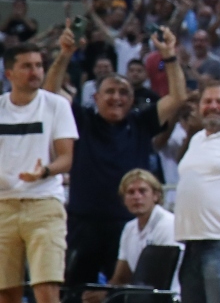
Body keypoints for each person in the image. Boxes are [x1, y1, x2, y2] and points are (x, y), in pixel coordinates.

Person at [47, 25, 186, 290]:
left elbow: (178, 98)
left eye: (124, 93)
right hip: (83, 222)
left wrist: (169, 56)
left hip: (128, 223)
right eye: (110, 92)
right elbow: (50, 94)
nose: (117, 97)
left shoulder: (141, 122)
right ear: (95, 97)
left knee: (122, 294)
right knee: (74, 293)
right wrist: (64, 54)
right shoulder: (81, 120)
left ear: (132, 98)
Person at [0, 43, 77, 303]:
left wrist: (44, 171)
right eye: (27, 66)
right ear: (9, 73)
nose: (35, 72)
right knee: (5, 292)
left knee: (46, 288)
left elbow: (66, 158)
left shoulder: (57, 105)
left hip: (44, 203)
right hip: (3, 204)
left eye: (38, 66)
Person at [175, 82, 220, 303]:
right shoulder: (197, 139)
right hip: (192, 241)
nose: (213, 106)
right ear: (199, 107)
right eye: (207, 101)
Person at [85, 170, 180, 301]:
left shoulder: (168, 224)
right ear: (124, 200)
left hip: (168, 298)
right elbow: (121, 277)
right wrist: (102, 293)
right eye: (130, 192)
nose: (136, 197)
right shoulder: (129, 228)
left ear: (156, 195)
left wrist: (108, 294)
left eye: (142, 191)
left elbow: (156, 281)